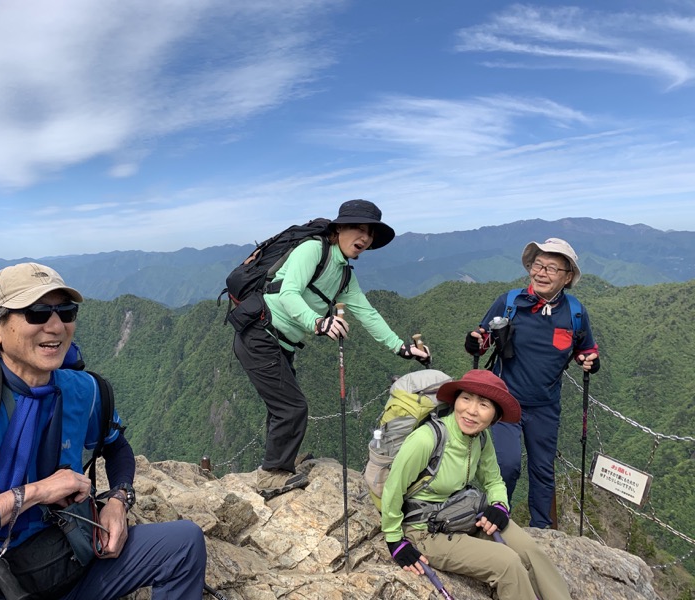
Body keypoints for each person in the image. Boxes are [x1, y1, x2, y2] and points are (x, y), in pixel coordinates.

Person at [0, 263, 206, 599]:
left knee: (185, 544)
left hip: (66, 557)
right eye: (37, 313)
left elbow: (117, 448)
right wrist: (35, 492)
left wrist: (118, 500)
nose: (56, 326)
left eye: (66, 312)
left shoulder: (84, 392)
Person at [233, 199, 430, 499]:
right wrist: (318, 323)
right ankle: (271, 476)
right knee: (292, 406)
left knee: (282, 405)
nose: (364, 238)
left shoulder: (344, 275)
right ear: (338, 229)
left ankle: (279, 464)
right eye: (358, 229)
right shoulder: (313, 250)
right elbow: (288, 293)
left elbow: (368, 314)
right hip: (259, 333)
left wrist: (402, 349)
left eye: (370, 233)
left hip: (281, 343)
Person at [381, 369, 572, 600]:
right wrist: (394, 541)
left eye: (483, 404)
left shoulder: (481, 438)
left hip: (460, 513)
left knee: (531, 552)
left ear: (495, 416)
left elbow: (493, 480)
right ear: (455, 401)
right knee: (507, 563)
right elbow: (393, 487)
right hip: (423, 531)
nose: (471, 411)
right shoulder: (427, 439)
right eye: (466, 399)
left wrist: (500, 505)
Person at [465, 238, 599, 528]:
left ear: (567, 276)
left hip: (546, 406)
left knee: (542, 470)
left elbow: (586, 348)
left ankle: (542, 529)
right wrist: (475, 342)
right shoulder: (510, 302)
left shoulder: (575, 313)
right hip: (504, 403)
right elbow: (482, 338)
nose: (541, 272)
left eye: (551, 268)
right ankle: (498, 521)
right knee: (507, 466)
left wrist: (590, 359)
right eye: (538, 265)